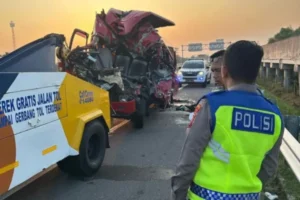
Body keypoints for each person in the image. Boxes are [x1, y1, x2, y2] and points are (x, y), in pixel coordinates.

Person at [170, 40, 284, 200]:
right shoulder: (275, 114)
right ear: (256, 72)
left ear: (224, 71)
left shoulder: (212, 105)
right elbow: (269, 167)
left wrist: (177, 195)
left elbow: (188, 161)